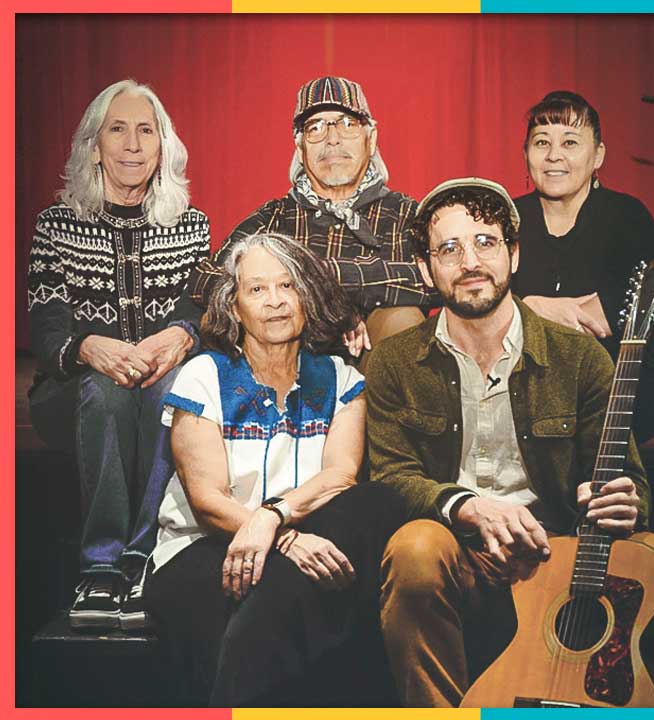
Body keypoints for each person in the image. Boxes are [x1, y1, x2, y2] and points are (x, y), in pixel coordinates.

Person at [365, 177, 650, 707]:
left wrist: (623, 501)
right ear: (427, 271)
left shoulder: (580, 356)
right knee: (413, 550)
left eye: (485, 242)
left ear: (514, 255)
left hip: (555, 555)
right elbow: (388, 478)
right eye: (449, 249)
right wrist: (467, 510)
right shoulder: (393, 362)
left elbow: (628, 479)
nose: (469, 261)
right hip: (457, 548)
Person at [145, 232, 406, 706]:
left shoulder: (342, 379)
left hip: (310, 542)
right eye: (257, 289)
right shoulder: (204, 375)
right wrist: (283, 539)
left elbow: (341, 477)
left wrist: (273, 518)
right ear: (234, 306)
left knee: (376, 500)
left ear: (307, 296)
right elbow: (207, 501)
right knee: (284, 602)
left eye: (287, 286)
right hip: (203, 548)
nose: (275, 302)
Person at [27, 79, 210, 630]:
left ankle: (142, 556)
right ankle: (101, 564)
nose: (132, 144)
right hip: (74, 392)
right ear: (94, 145)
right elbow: (48, 323)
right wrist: (87, 345)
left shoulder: (191, 224)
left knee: (170, 391)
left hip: (159, 385)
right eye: (118, 129)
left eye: (145, 131)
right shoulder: (55, 224)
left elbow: (202, 313)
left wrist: (180, 335)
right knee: (106, 391)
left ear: (163, 147)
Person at [186, 76, 431, 363]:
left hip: (373, 367)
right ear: (300, 149)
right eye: (315, 128)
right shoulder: (274, 217)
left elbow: (440, 278)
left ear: (371, 138)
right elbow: (205, 278)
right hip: (287, 365)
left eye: (347, 124)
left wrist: (320, 276)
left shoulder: (406, 214)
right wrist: (330, 309)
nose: (332, 138)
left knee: (403, 318)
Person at [512, 90, 654, 444]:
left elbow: (602, 320)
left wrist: (523, 310)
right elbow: (479, 315)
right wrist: (535, 308)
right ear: (526, 154)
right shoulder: (506, 219)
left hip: (619, 384)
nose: (554, 155)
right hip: (527, 388)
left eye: (570, 142)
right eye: (542, 142)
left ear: (597, 154)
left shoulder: (628, 217)